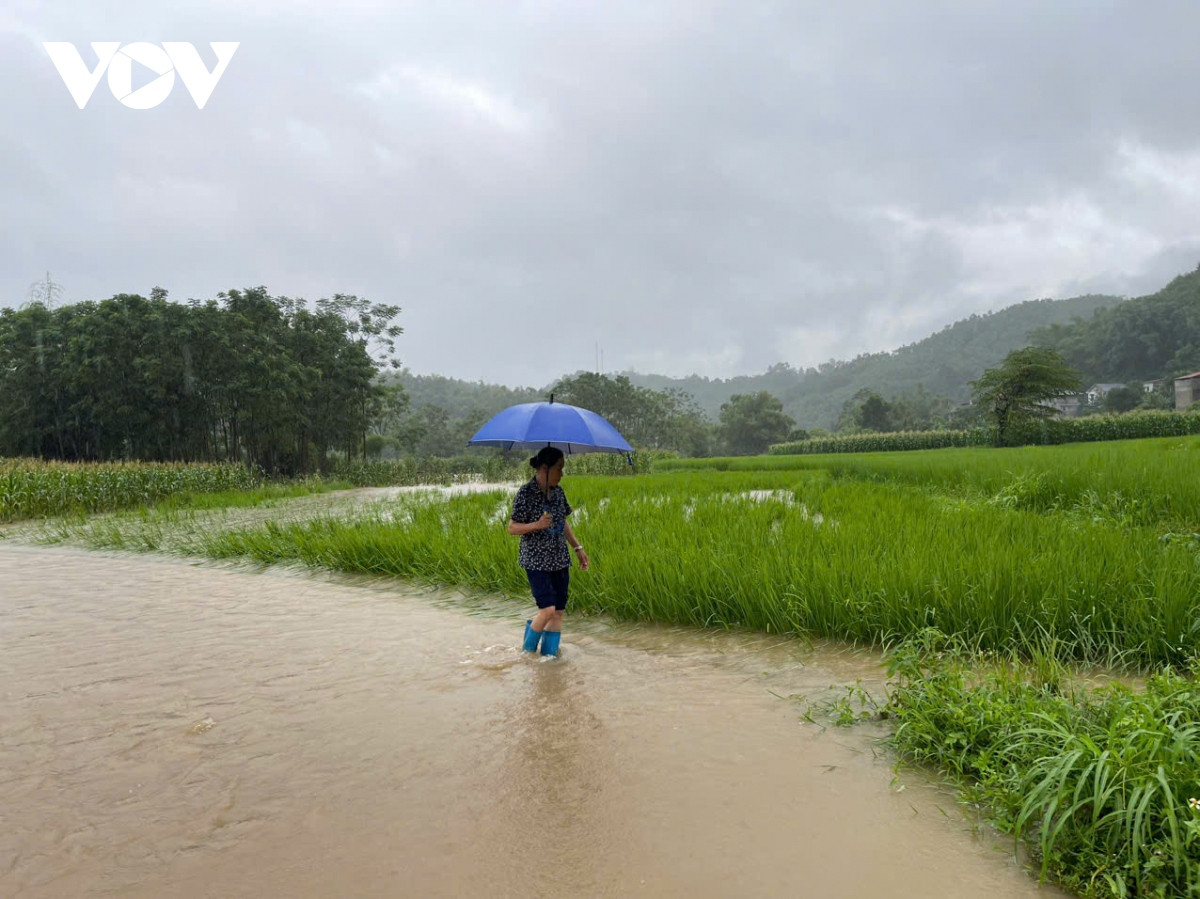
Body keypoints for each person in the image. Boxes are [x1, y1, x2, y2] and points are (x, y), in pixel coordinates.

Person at [507, 446, 589, 656]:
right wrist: (537, 524)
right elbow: (512, 527)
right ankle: (526, 655)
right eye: (559, 469)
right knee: (547, 610)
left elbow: (564, 522)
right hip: (536, 562)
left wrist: (578, 548)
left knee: (558, 612)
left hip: (560, 559)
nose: (562, 474)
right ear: (544, 468)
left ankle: (549, 659)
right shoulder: (526, 493)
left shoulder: (558, 493)